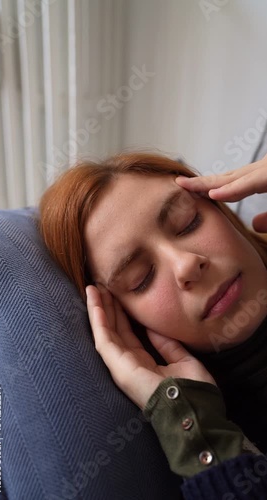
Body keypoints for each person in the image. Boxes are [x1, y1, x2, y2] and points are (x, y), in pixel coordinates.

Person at [39, 151, 267, 499]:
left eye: (188, 222)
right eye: (141, 278)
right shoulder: (223, 428)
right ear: (125, 319)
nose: (187, 265)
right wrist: (188, 419)